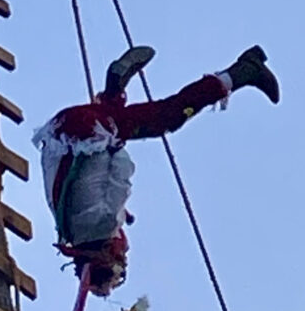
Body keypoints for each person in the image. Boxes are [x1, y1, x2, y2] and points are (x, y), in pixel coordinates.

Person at [35, 44, 280, 294]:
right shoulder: (68, 229)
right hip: (62, 130)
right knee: (123, 119)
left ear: (106, 256)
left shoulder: (106, 223)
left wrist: (115, 144)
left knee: (169, 116)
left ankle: (244, 71)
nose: (124, 251)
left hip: (91, 130)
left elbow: (121, 170)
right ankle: (113, 91)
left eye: (120, 258)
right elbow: (81, 185)